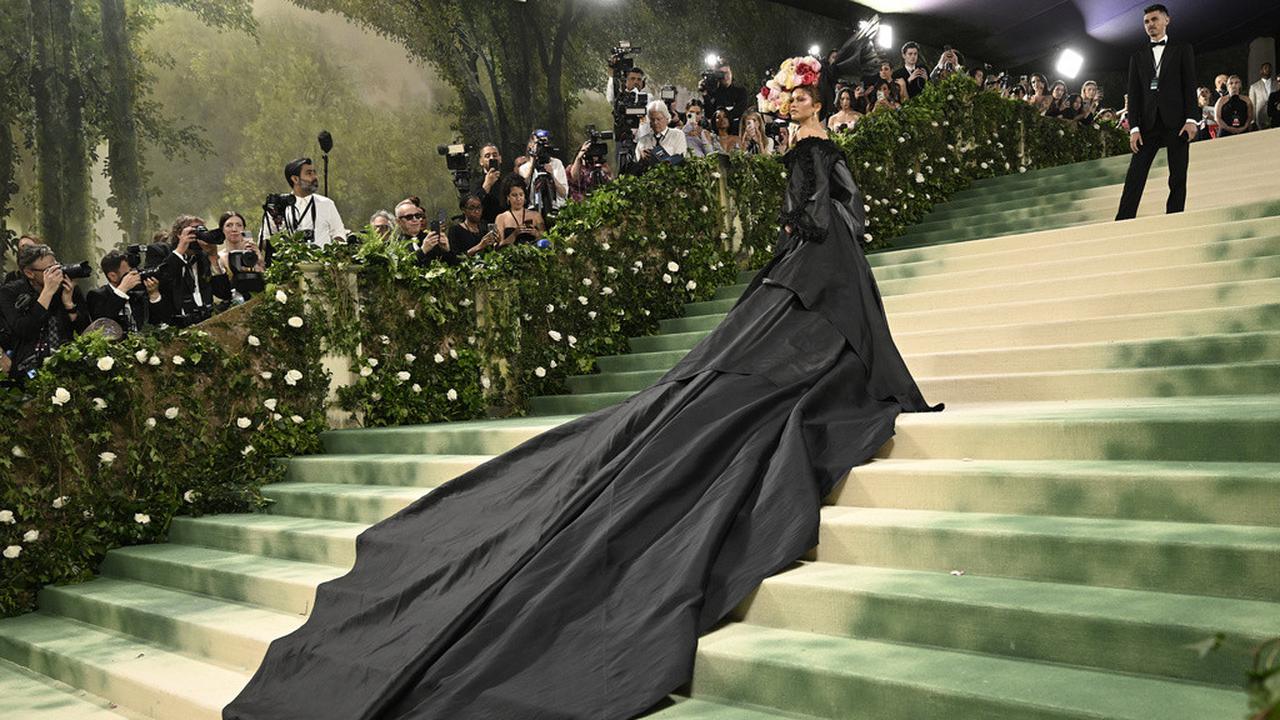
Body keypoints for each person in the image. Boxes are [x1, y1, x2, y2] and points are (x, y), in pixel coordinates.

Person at [224, 26, 939, 719]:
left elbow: (817, 210)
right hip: (819, 259)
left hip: (818, 260)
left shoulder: (807, 143)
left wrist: (809, 221)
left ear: (808, 99)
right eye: (794, 95)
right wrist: (809, 222)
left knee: (795, 346)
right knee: (781, 360)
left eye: (801, 94)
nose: (796, 102)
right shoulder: (809, 144)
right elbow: (818, 209)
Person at [1115, 3, 1199, 221]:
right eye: (1146, 22)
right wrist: (1133, 128)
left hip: (1177, 122)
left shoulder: (1183, 49)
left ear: (1166, 20)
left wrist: (1191, 119)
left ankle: (1174, 218)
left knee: (1178, 175)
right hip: (1147, 125)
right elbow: (1133, 95)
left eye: (1154, 19)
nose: (1150, 24)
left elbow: (1190, 86)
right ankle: (1123, 220)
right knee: (1135, 174)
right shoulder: (1137, 56)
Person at [0, 244, 89, 380]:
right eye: (49, 270)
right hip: (28, 371)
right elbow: (24, 330)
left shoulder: (67, 288)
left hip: (68, 367)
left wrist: (69, 305)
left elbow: (85, 329)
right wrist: (47, 292)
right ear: (29, 273)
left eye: (57, 267)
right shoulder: (10, 292)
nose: (56, 274)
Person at [159, 215, 231, 326]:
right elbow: (162, 279)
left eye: (202, 230)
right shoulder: (163, 253)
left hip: (206, 321)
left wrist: (213, 257)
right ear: (180, 234)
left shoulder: (203, 258)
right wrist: (180, 249)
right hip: (177, 325)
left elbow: (224, 294)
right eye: (194, 231)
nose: (199, 235)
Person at [260, 157, 348, 247]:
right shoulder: (279, 206)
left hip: (323, 260)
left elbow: (339, 235)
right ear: (295, 179)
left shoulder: (326, 204)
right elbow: (265, 239)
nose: (314, 177)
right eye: (309, 173)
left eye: (314, 173)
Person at [86, 250, 167, 333]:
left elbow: (159, 320)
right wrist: (122, 289)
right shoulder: (97, 295)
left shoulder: (138, 294)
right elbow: (102, 324)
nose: (134, 276)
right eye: (128, 274)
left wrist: (154, 295)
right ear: (112, 276)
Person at [517, 131, 569, 216]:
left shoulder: (556, 164)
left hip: (557, 210)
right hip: (533, 212)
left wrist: (552, 175)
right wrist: (532, 163)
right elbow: (523, 190)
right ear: (530, 145)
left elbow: (564, 193)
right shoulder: (524, 168)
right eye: (538, 144)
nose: (542, 148)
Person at [394, 198, 456, 267]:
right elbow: (403, 268)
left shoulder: (431, 238)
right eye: (409, 217)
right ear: (398, 221)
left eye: (417, 216)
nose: (415, 220)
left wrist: (447, 250)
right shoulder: (396, 245)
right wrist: (423, 251)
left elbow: (452, 265)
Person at [495, 176, 545, 247]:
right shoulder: (501, 218)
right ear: (508, 197)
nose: (518, 199)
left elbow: (546, 240)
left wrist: (536, 234)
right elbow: (498, 245)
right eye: (514, 195)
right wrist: (515, 234)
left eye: (521, 195)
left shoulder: (536, 216)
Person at [634, 100, 688, 164]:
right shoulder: (643, 140)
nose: (655, 123)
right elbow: (636, 162)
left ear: (667, 118)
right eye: (652, 120)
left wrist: (663, 161)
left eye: (658, 119)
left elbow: (680, 158)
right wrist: (641, 158)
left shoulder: (677, 135)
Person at [702, 63, 751, 133]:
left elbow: (740, 110)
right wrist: (705, 94)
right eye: (722, 74)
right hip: (718, 133)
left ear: (731, 73)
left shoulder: (740, 91)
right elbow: (709, 114)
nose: (726, 76)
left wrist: (722, 116)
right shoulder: (714, 92)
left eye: (727, 72)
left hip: (737, 132)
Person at [472, 144, 507, 224]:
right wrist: (487, 184)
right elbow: (474, 205)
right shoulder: (475, 182)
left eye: (495, 155)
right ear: (481, 161)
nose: (492, 158)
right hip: (483, 225)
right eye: (487, 156)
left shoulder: (507, 181)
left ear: (500, 159)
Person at [1248, 63, 1273, 129]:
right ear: (1261, 71)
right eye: (1265, 68)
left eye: (1269, 68)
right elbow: (1252, 105)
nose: (1268, 69)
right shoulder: (1254, 87)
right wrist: (1252, 121)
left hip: (1275, 118)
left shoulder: (1277, 84)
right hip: (1260, 119)